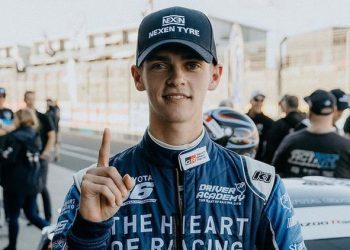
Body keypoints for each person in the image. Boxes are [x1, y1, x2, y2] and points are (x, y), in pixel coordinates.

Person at [52, 7, 305, 250]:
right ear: (138, 77)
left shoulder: (261, 186)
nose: (177, 78)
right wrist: (89, 233)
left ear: (215, 76)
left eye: (192, 64)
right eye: (160, 65)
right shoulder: (91, 187)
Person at [0, 108, 49, 250]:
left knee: (13, 216)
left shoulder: (14, 137)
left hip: (15, 183)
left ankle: (12, 246)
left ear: (19, 119)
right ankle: (57, 233)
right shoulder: (35, 135)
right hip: (32, 182)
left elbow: (7, 158)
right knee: (32, 214)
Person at [272, 89, 350, 178]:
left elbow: (274, 176)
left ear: (310, 112)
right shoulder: (346, 147)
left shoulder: (291, 141)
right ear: (334, 110)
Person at [24, 91, 55, 223]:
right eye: (28, 99)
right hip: (27, 159)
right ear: (24, 100)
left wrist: (46, 152)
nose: (30, 101)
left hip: (41, 158)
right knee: (30, 186)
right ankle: (34, 215)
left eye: (32, 99)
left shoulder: (43, 117)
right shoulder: (22, 117)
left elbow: (52, 135)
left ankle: (47, 217)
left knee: (41, 187)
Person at [263, 95, 305, 164]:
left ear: (284, 105)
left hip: (282, 165)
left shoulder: (279, 124)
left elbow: (270, 149)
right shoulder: (305, 123)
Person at [0, 87, 14, 226]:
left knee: (7, 188)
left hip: (7, 156)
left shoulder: (8, 112)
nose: (1, 98)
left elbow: (13, 129)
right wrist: (6, 129)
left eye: (2, 95)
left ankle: (7, 216)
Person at [246, 90, 273, 161]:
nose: (259, 103)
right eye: (256, 100)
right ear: (250, 101)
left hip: (260, 160)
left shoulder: (268, 122)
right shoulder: (244, 119)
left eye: (262, 101)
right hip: (244, 157)